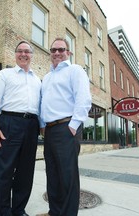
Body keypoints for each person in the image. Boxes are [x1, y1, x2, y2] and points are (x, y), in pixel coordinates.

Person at [0, 40, 42, 216]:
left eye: (27, 51)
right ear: (15, 54)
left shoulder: (37, 80)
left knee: (26, 173)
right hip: (9, 123)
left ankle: (18, 210)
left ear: (32, 55)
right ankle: (2, 212)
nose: (23, 54)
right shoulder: (5, 74)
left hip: (32, 125)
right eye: (20, 51)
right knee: (4, 172)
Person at [37, 38, 92, 216]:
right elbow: (43, 104)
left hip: (66, 128)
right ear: (50, 53)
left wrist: (73, 125)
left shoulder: (74, 70)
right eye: (53, 50)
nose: (57, 53)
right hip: (50, 131)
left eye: (61, 49)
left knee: (67, 177)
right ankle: (54, 212)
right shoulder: (47, 77)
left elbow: (83, 99)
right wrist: (43, 126)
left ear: (68, 52)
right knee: (52, 174)